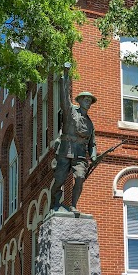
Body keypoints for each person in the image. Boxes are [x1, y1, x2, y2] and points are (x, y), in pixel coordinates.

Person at [51, 63, 97, 213]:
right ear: (79, 100)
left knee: (80, 178)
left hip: (80, 155)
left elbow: (92, 143)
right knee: (59, 179)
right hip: (66, 150)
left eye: (90, 100)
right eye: (85, 99)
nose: (88, 102)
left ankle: (73, 205)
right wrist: (66, 72)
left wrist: (94, 155)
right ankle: (55, 202)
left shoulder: (90, 123)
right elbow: (64, 95)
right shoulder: (70, 111)